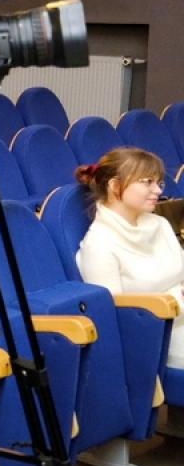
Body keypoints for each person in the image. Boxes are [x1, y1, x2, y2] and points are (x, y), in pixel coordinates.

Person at [75, 147, 184, 368]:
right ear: (115, 186)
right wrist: (175, 298)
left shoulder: (159, 224)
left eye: (159, 183)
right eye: (147, 182)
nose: (157, 190)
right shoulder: (98, 244)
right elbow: (116, 313)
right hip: (154, 337)